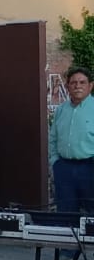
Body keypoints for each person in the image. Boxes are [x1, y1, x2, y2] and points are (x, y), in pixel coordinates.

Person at [50, 66, 94, 213]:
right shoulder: (61, 110)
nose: (78, 86)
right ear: (68, 86)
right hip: (64, 168)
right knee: (66, 215)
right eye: (73, 82)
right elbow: (53, 139)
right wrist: (55, 162)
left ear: (90, 85)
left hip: (89, 168)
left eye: (82, 82)